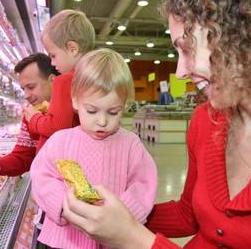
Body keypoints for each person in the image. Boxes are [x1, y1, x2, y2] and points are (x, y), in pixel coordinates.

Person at [61, 0, 251, 248]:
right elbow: (188, 213)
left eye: (187, 48)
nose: (180, 71)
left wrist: (133, 237)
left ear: (244, 38)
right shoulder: (205, 122)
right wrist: (119, 212)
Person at [30, 48, 158, 248]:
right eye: (91, 110)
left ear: (123, 106)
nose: (102, 121)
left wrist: (121, 218)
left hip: (113, 240)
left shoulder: (131, 145)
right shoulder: (61, 141)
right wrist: (63, 205)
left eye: (113, 112)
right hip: (66, 240)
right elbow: (41, 176)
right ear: (75, 100)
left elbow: (143, 185)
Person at [23, 9, 95, 153]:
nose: (52, 63)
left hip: (57, 162)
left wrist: (34, 118)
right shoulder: (93, 78)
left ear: (72, 48)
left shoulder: (65, 80)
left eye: (53, 55)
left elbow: (57, 127)